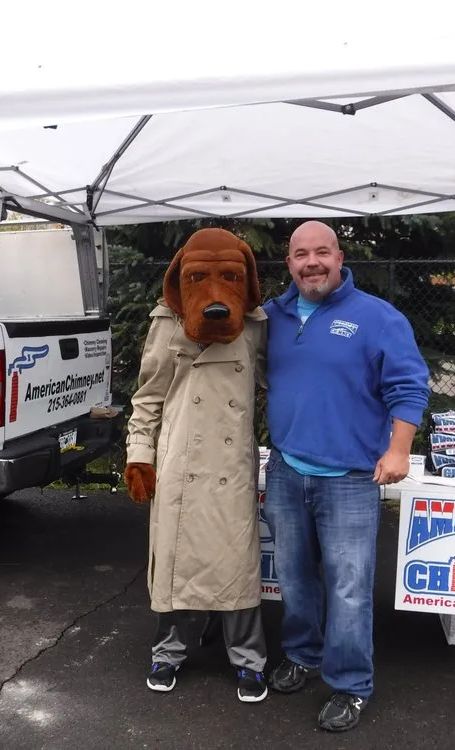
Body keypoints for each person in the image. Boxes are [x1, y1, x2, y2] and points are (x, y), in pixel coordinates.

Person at [260, 220, 430, 732]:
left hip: (352, 479)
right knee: (293, 577)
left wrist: (399, 449)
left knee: (350, 588)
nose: (311, 262)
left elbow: (410, 386)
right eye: (300, 255)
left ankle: (350, 685)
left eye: (322, 253)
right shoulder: (270, 317)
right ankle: (303, 655)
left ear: (339, 257)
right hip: (287, 470)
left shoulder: (378, 319)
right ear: (288, 263)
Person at [125, 227, 270, 703]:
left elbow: (281, 385)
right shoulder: (167, 323)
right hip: (179, 463)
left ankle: (249, 660)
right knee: (174, 562)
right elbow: (147, 399)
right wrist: (139, 456)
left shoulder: (255, 325)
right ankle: (167, 652)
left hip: (231, 463)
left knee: (237, 563)